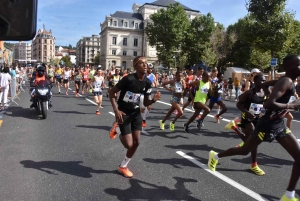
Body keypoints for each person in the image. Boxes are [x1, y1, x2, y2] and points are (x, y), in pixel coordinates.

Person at [208, 55, 300, 201]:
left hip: (279, 124)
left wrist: (267, 87)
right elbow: (269, 104)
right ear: (290, 67)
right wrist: (292, 106)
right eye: (299, 65)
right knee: (245, 150)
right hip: (266, 125)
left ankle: (289, 195)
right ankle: (215, 156)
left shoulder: (287, 81)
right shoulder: (286, 81)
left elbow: (266, 85)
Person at [108, 56, 161, 178]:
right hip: (124, 112)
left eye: (146, 63)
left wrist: (153, 100)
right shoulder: (129, 79)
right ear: (136, 66)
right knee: (128, 145)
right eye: (142, 63)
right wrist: (116, 110)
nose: (145, 65)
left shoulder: (147, 82)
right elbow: (111, 92)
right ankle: (117, 129)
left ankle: (123, 166)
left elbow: (146, 102)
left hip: (136, 113)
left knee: (137, 142)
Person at [224, 73, 266, 176]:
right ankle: (254, 165)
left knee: (249, 142)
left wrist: (261, 113)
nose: (264, 82)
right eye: (262, 81)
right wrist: (247, 112)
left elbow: (262, 105)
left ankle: (234, 127)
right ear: (255, 82)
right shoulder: (250, 93)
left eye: (265, 81)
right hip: (246, 118)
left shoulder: (264, 93)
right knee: (253, 143)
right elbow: (238, 104)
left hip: (256, 119)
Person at [141, 63, 156, 129]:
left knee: (149, 107)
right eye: (149, 68)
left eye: (151, 68)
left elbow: (156, 84)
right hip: (141, 94)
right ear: (146, 68)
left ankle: (143, 119)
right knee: (142, 109)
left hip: (148, 94)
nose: (150, 69)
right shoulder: (143, 75)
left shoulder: (153, 75)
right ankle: (141, 119)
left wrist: (154, 84)